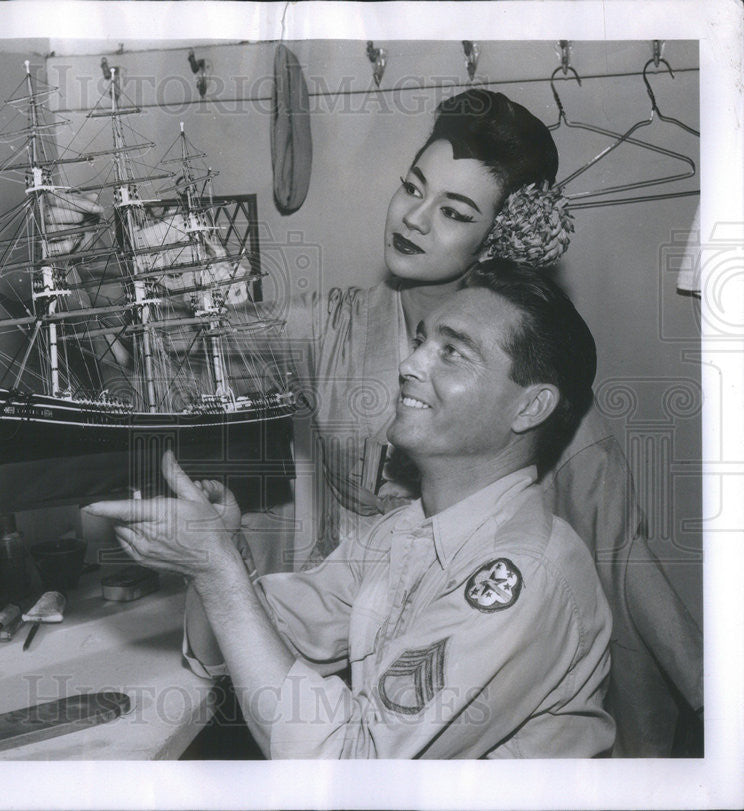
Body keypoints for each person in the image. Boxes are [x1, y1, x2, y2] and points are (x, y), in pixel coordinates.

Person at [230, 88, 701, 757]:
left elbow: (618, 549)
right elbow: (187, 352)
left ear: (499, 233)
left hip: (483, 661)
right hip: (341, 638)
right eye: (412, 188)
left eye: (453, 211)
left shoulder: (528, 373)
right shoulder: (330, 325)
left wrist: (707, 694)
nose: (415, 219)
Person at [87, 261, 614, 758]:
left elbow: (351, 771)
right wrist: (221, 559)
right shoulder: (403, 532)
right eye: (420, 340)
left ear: (530, 406)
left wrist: (218, 572)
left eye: (452, 352)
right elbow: (233, 649)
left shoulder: (523, 575)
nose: (409, 365)